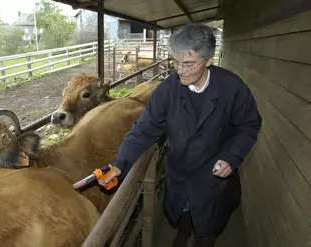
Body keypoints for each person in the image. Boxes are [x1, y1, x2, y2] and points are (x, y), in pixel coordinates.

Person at [98, 23, 262, 247]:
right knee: (184, 212)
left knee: (207, 228)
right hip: (180, 172)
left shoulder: (232, 88)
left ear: (208, 60)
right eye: (176, 62)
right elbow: (144, 129)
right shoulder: (168, 89)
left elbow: (250, 125)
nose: (179, 70)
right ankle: (183, 234)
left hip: (213, 176)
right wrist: (121, 163)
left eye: (188, 64)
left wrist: (232, 157)